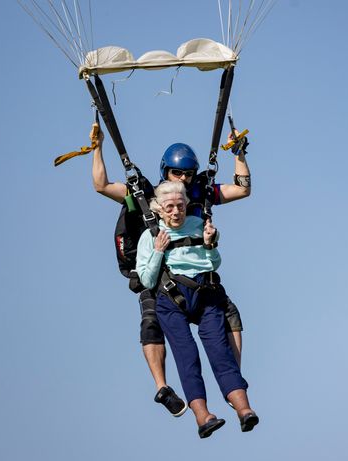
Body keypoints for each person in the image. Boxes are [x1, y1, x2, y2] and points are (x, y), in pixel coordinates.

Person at [91, 127, 251, 417]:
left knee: (230, 314)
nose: (183, 179)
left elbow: (241, 188)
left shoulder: (199, 194)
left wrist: (239, 154)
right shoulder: (146, 195)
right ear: (166, 172)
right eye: (177, 174)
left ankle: (232, 381)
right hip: (158, 274)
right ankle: (162, 387)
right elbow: (102, 185)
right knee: (151, 321)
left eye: (188, 174)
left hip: (198, 277)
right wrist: (97, 149)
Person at [136, 181, 258, 438]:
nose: (176, 212)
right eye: (170, 207)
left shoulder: (199, 225)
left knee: (220, 351)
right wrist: (158, 251)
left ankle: (244, 410)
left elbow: (214, 263)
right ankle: (203, 417)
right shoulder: (150, 236)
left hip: (205, 295)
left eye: (180, 206)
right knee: (187, 355)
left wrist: (210, 244)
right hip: (171, 300)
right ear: (159, 209)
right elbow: (146, 281)